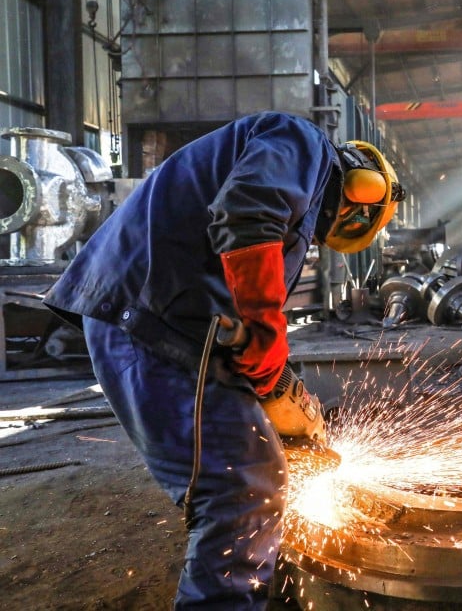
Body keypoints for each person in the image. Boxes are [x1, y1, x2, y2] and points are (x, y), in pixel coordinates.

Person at [44, 111, 403, 608]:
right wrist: (265, 329)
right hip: (149, 318)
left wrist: (277, 398)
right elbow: (248, 213)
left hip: (166, 320)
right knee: (241, 488)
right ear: (363, 192)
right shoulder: (302, 142)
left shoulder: (291, 172)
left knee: (252, 465)